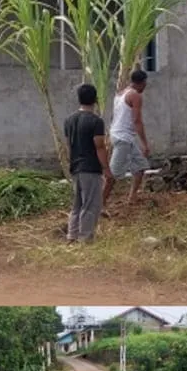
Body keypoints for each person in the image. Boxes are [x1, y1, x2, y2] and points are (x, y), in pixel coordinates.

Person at [65, 84, 111, 243]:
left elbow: (69, 146)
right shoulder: (96, 121)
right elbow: (99, 147)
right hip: (90, 168)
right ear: (95, 100)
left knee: (77, 204)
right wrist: (106, 168)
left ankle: (72, 235)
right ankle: (85, 238)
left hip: (75, 167)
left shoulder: (69, 120)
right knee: (91, 205)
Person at [105, 70, 151, 208]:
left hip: (121, 136)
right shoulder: (135, 96)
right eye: (145, 83)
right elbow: (137, 120)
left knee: (140, 167)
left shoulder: (120, 93)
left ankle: (132, 198)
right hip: (122, 138)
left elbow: (115, 116)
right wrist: (145, 143)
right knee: (112, 175)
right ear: (142, 82)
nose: (145, 86)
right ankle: (100, 202)